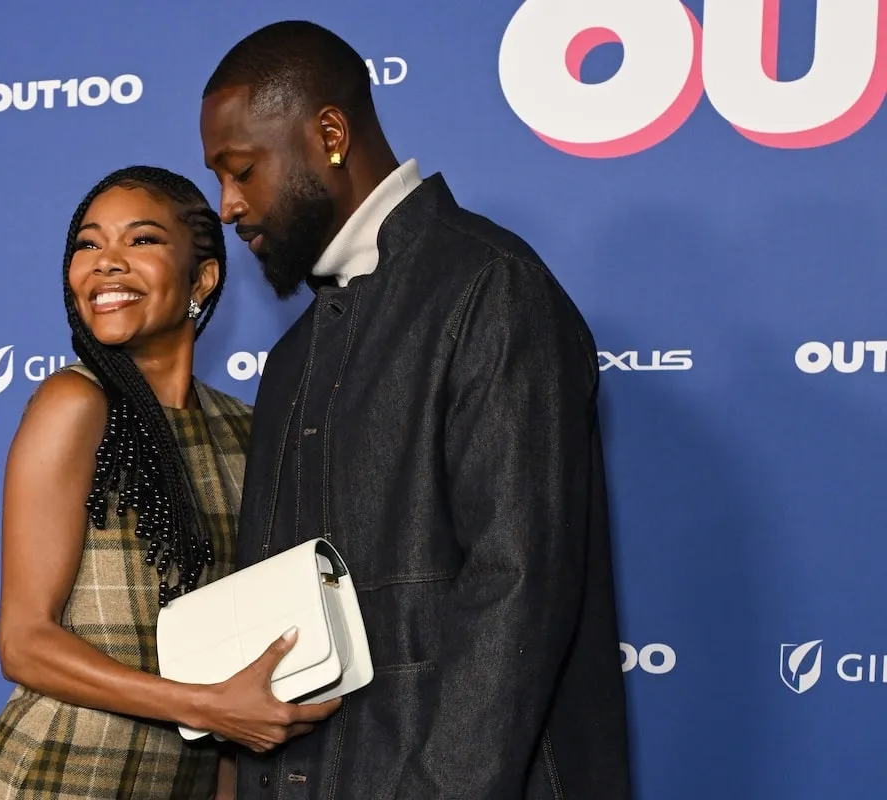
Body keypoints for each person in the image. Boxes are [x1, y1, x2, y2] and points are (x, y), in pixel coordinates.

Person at [198, 21, 632, 800]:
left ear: (329, 133)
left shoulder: (490, 289)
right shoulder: (293, 356)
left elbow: (516, 590)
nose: (227, 207)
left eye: (242, 171)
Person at [0, 165, 340, 800]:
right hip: (58, 776)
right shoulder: (76, 402)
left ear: (203, 278)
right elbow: (24, 643)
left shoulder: (244, 428)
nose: (106, 263)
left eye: (140, 241)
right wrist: (204, 707)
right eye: (88, 244)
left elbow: (236, 654)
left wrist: (224, 748)